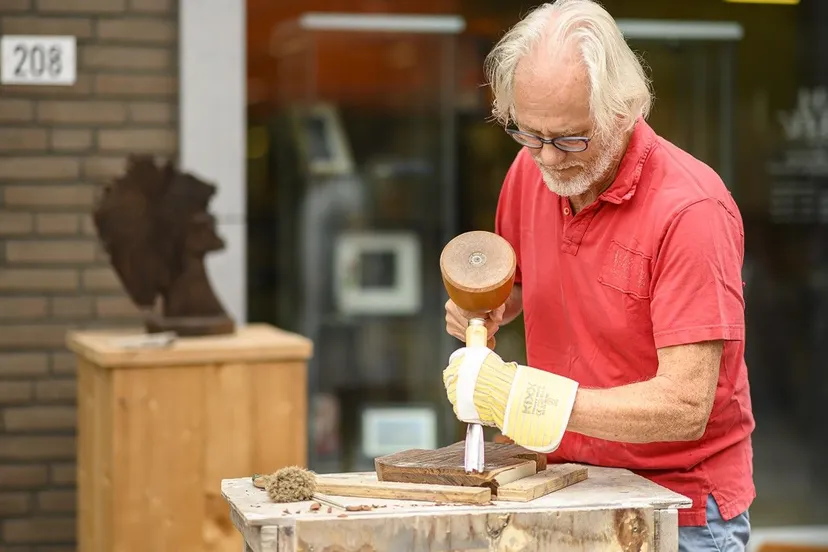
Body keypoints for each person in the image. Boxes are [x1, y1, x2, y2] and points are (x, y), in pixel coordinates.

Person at [441, 1, 755, 550]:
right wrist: (485, 311)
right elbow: (519, 287)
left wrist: (525, 399)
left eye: (570, 138)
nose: (549, 159)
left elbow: (685, 406)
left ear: (624, 110)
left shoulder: (691, 211)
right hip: (564, 486)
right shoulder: (530, 172)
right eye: (529, 134)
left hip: (677, 509)